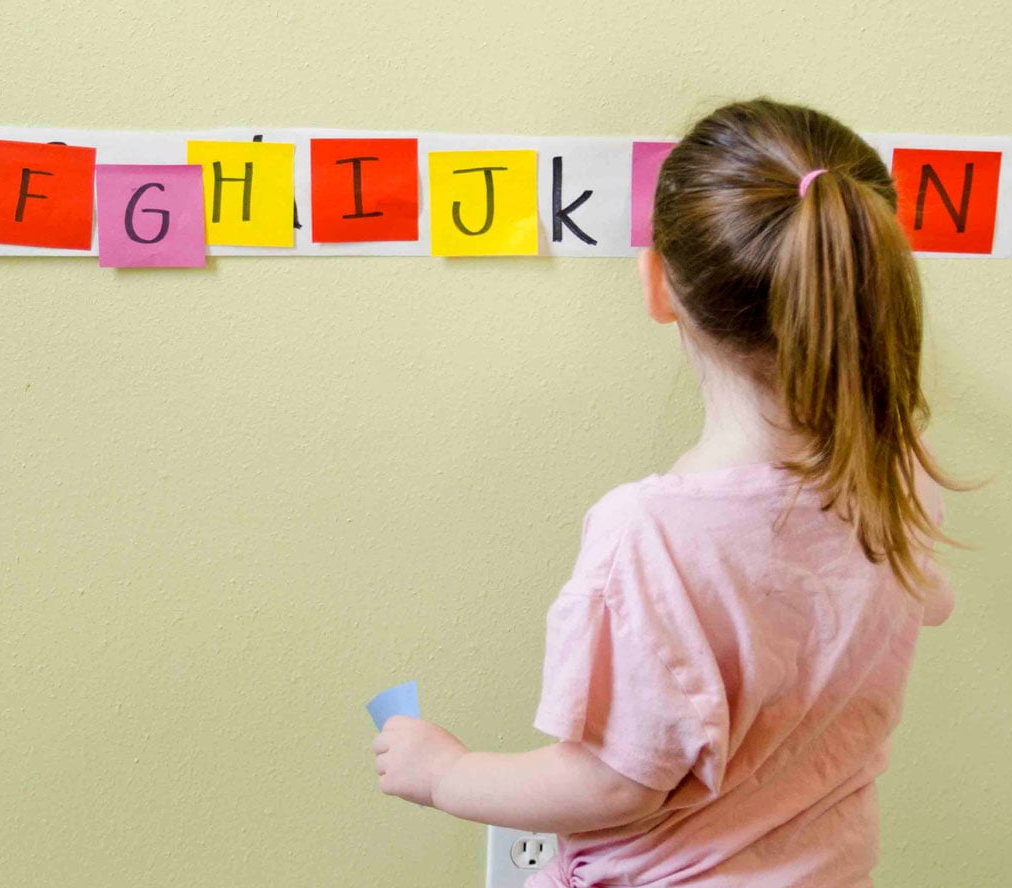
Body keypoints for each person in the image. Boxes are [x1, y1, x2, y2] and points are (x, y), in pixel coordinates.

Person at [371, 98, 962, 886]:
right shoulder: (898, 468)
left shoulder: (650, 535)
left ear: (656, 285)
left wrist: (446, 773)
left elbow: (616, 783)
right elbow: (930, 600)